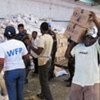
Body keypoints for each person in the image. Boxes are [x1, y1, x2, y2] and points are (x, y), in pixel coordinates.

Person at [69, 13, 100, 100]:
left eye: (91, 38)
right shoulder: (78, 47)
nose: (88, 40)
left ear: (95, 39)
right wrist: (74, 39)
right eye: (87, 37)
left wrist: (95, 20)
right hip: (77, 81)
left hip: (92, 82)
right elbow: (67, 55)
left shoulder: (96, 47)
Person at [0, 26, 29, 100]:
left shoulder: (2, 46)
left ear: (5, 35)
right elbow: (27, 57)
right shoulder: (20, 43)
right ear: (15, 34)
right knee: (20, 93)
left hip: (10, 72)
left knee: (12, 94)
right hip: (21, 71)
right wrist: (23, 67)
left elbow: (1, 62)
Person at [29, 22, 53, 100]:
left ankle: (49, 98)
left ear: (41, 29)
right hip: (48, 58)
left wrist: (31, 46)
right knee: (44, 78)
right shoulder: (50, 37)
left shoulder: (42, 38)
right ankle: (43, 95)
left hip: (43, 61)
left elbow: (39, 51)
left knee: (43, 81)